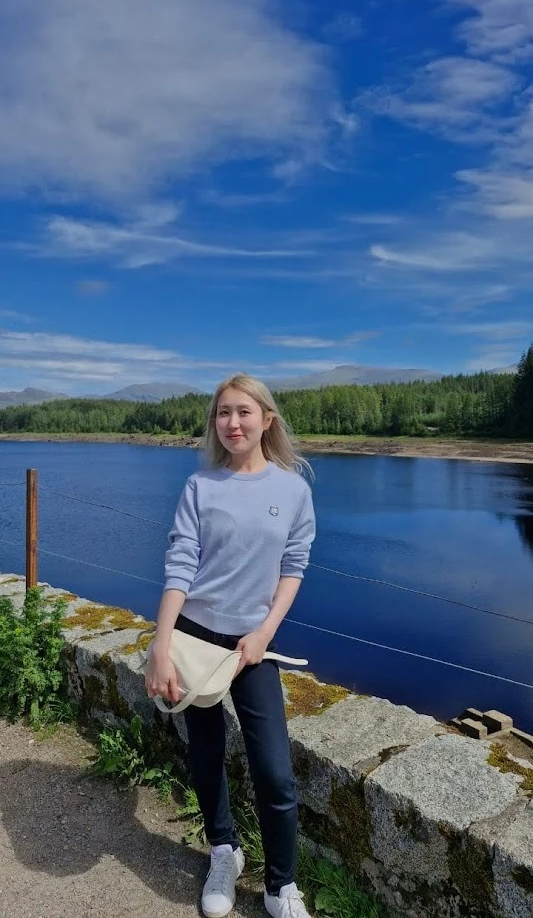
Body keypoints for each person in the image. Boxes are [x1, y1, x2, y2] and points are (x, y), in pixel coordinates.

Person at [145, 373, 316, 918]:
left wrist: (264, 633)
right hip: (195, 641)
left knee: (275, 772)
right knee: (205, 754)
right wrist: (161, 644)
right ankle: (225, 851)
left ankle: (280, 886)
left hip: (252, 648)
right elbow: (180, 565)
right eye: (223, 413)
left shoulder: (293, 490)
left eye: (244, 411)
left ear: (267, 419)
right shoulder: (201, 487)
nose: (233, 423)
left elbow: (293, 566)